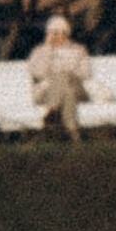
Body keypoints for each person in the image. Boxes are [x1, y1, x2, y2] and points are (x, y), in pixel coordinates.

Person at [26, 11, 93, 142]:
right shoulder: (40, 51)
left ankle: (52, 110)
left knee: (64, 79)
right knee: (67, 92)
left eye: (63, 32)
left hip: (77, 88)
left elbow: (86, 73)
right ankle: (73, 132)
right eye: (55, 33)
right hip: (47, 92)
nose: (59, 36)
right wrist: (48, 50)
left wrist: (69, 74)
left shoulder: (78, 50)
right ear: (49, 34)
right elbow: (37, 73)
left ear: (68, 34)